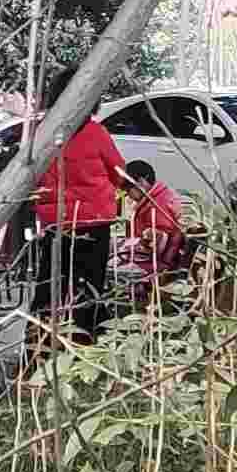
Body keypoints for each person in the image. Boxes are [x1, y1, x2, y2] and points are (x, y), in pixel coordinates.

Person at [31, 106, 127, 335]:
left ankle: (38, 340)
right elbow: (118, 171)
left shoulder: (42, 133)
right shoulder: (95, 132)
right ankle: (86, 337)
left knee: (50, 284)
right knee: (90, 285)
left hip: (57, 221)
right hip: (94, 221)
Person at [121, 157, 194, 301]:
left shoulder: (158, 204)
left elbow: (160, 242)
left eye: (128, 188)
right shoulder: (156, 197)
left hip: (156, 262)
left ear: (141, 182)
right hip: (151, 255)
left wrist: (132, 244)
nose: (127, 193)